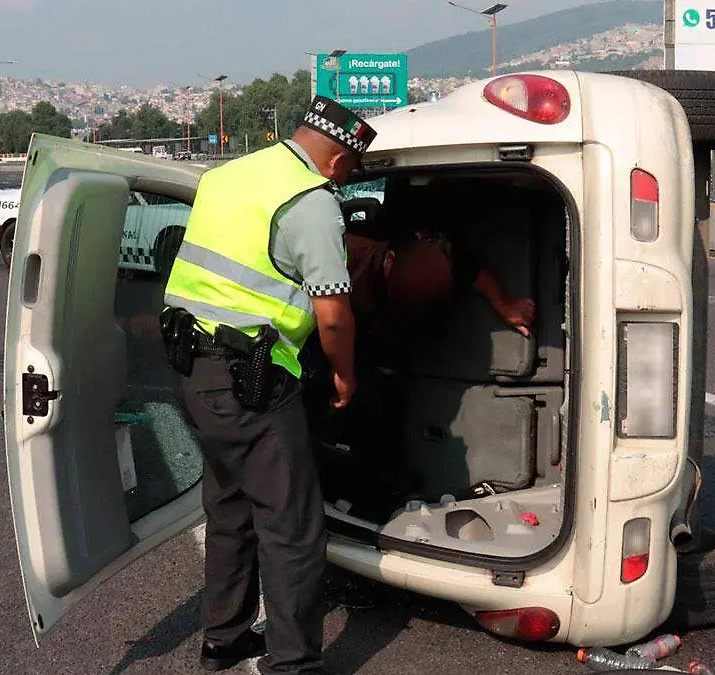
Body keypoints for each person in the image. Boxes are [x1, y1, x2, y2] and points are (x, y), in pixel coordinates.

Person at [161, 96, 375, 675]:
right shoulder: (311, 201)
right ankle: (292, 664)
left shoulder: (228, 175)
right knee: (292, 527)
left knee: (231, 506)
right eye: (351, 171)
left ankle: (225, 639)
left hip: (193, 369)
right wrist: (345, 375)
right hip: (251, 383)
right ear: (339, 161)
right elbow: (333, 316)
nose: (345, 182)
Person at [304, 226, 535, 516]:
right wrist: (342, 371)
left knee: (381, 408)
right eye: (400, 297)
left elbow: (472, 270)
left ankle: (387, 491)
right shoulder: (346, 256)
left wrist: (504, 303)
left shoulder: (435, 267)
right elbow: (330, 322)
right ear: (389, 261)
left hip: (379, 357)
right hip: (330, 345)